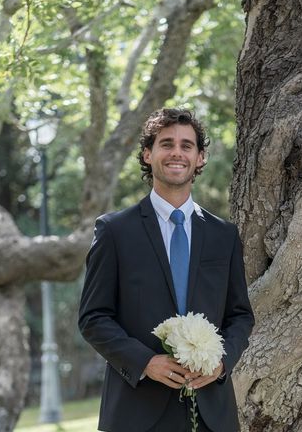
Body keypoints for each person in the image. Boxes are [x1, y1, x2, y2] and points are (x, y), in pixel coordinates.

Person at [79, 107, 255, 432]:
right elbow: (93, 318)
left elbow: (240, 315)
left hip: (212, 414)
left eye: (187, 145)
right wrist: (145, 362)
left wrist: (220, 363)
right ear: (148, 154)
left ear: (200, 157)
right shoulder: (114, 231)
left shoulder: (224, 236)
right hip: (136, 410)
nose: (177, 152)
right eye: (166, 143)